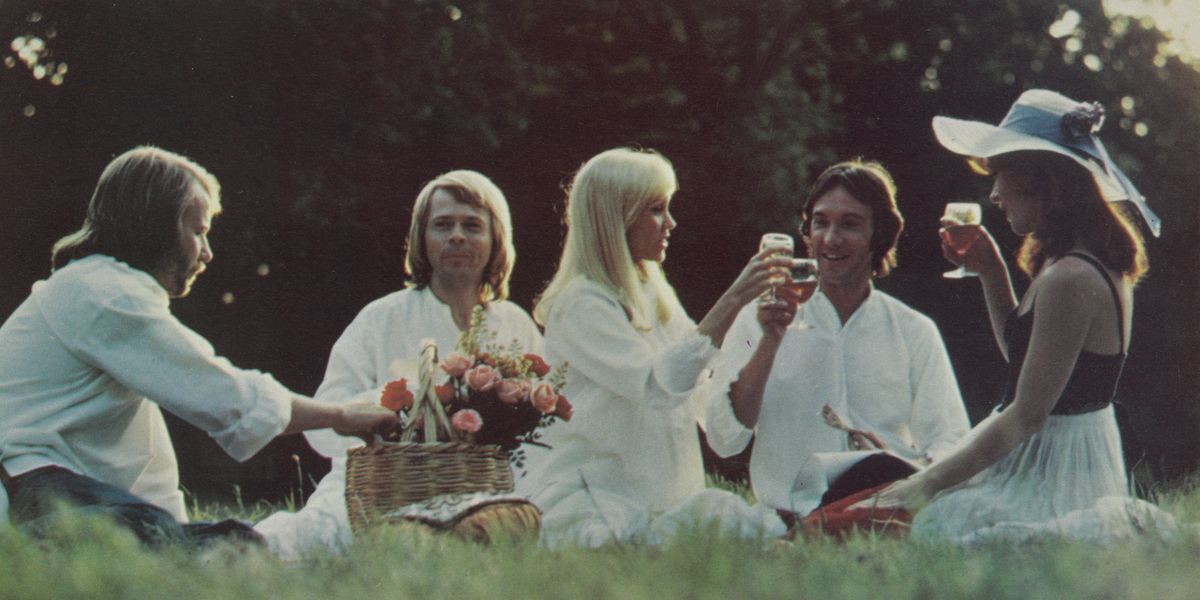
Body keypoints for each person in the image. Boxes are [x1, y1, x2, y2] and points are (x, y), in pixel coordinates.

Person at [0, 146, 396, 547]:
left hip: (44, 485)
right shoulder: (104, 295)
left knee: (189, 536)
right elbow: (226, 395)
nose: (207, 253)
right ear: (156, 225)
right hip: (29, 486)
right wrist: (341, 415)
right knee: (221, 544)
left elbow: (151, 459)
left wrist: (175, 523)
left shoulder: (99, 290)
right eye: (198, 231)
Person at [859, 89, 1185, 544]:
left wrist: (925, 483)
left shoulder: (1071, 277)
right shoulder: (1068, 262)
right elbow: (1025, 360)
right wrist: (992, 273)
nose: (993, 195)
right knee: (903, 511)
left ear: (1040, 181)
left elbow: (1026, 414)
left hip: (1057, 466)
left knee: (932, 527)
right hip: (1052, 452)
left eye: (1001, 176)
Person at [254, 170, 543, 559]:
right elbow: (330, 415)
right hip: (385, 485)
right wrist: (389, 416)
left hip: (488, 489)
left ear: (496, 240)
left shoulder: (514, 322)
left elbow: (541, 421)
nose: (457, 235)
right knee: (321, 540)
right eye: (443, 225)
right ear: (422, 240)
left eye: (472, 225)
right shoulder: (382, 316)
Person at [516, 147, 791, 548]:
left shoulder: (652, 291)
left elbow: (705, 404)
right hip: (594, 499)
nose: (672, 223)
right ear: (616, 218)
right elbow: (657, 386)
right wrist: (734, 299)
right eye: (657, 209)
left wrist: (768, 339)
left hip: (662, 498)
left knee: (744, 528)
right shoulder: (580, 303)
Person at [701, 159, 970, 521]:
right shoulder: (757, 319)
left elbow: (948, 440)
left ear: (879, 235)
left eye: (850, 224)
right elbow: (724, 439)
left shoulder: (914, 330)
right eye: (821, 223)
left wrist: (905, 465)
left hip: (884, 514)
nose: (831, 238)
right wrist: (770, 341)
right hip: (783, 517)